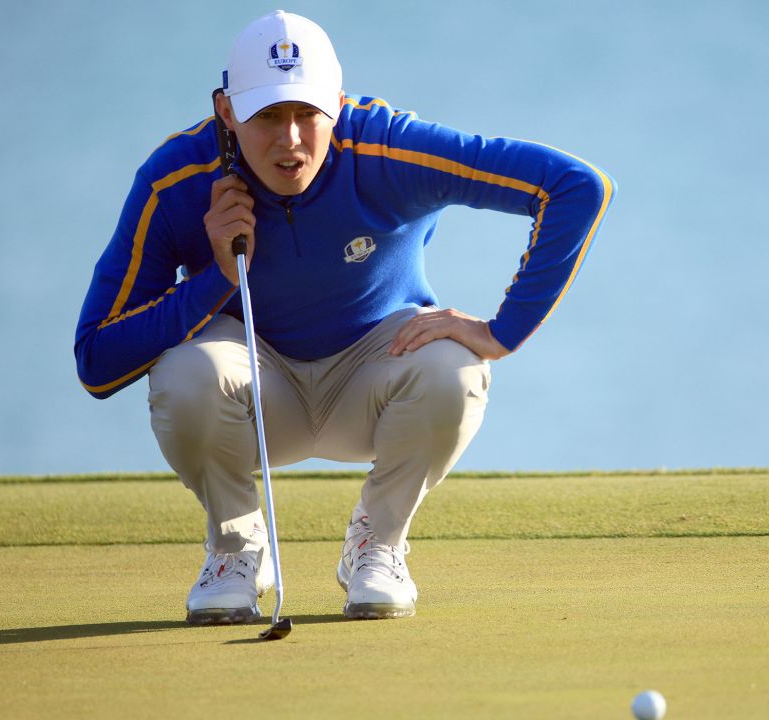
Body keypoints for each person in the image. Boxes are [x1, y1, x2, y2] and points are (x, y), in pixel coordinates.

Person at [74, 10, 615, 625]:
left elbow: (576, 186)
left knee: (455, 370)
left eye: (308, 114)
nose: (291, 140)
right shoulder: (177, 179)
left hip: (375, 381)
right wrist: (215, 280)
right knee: (184, 374)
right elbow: (97, 359)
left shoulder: (389, 149)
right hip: (254, 393)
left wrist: (499, 333)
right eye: (267, 116)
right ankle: (236, 548)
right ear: (226, 110)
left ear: (337, 102)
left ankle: (377, 543)